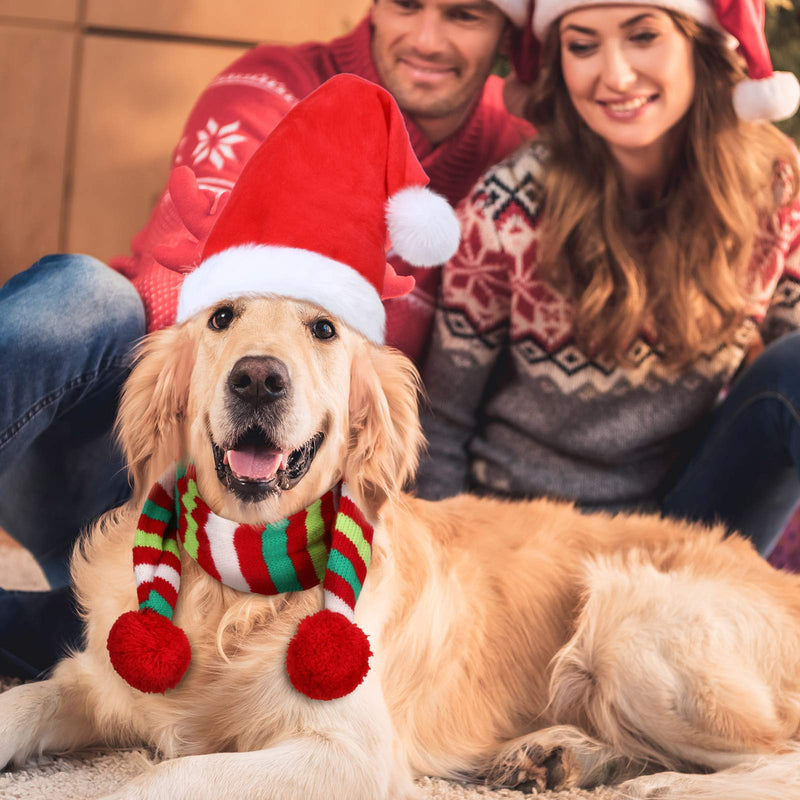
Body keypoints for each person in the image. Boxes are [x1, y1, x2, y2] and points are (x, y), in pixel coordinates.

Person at [0, 0, 535, 679]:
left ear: (508, 34)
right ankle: (109, 611)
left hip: (296, 521)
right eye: (407, 3)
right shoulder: (270, 85)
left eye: (465, 14)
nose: (427, 38)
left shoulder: (513, 156)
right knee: (86, 294)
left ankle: (80, 629)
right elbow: (184, 291)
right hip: (146, 451)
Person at [417, 0, 800, 558]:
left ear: (700, 43)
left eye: (643, 35)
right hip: (529, 537)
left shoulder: (774, 188)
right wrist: (447, 571)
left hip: (690, 520)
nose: (615, 75)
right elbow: (442, 423)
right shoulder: (508, 210)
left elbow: (787, 386)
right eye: (583, 45)